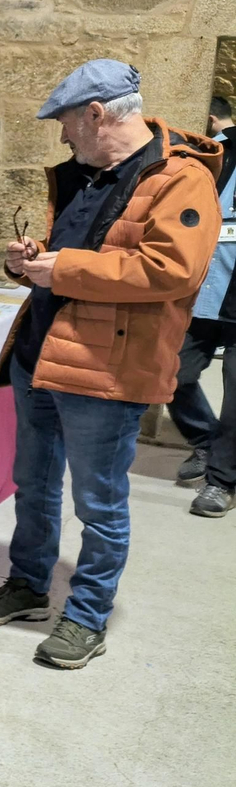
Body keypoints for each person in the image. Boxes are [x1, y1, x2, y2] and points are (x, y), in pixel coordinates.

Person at [0, 61, 220, 666]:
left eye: (65, 122)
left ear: (97, 114)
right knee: (33, 484)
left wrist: (63, 268)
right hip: (42, 356)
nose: (62, 136)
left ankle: (86, 616)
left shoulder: (182, 179)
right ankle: (29, 584)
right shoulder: (89, 173)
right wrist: (32, 261)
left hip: (107, 371)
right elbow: (80, 253)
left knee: (99, 504)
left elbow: (172, 270)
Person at [166, 97, 236, 514]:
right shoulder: (215, 154)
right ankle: (206, 443)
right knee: (173, 375)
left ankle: (222, 482)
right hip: (205, 293)